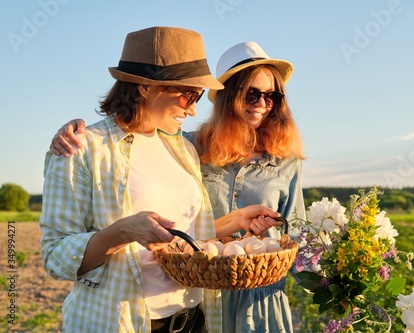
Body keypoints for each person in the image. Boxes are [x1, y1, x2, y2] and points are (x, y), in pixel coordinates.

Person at [50, 41, 306, 332]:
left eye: (272, 96)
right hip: (126, 319)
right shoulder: (88, 147)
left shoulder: (181, 148)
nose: (195, 110)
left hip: (196, 316)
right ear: (145, 87)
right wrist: (122, 231)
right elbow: (56, 256)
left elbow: (185, 238)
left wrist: (235, 220)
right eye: (188, 95)